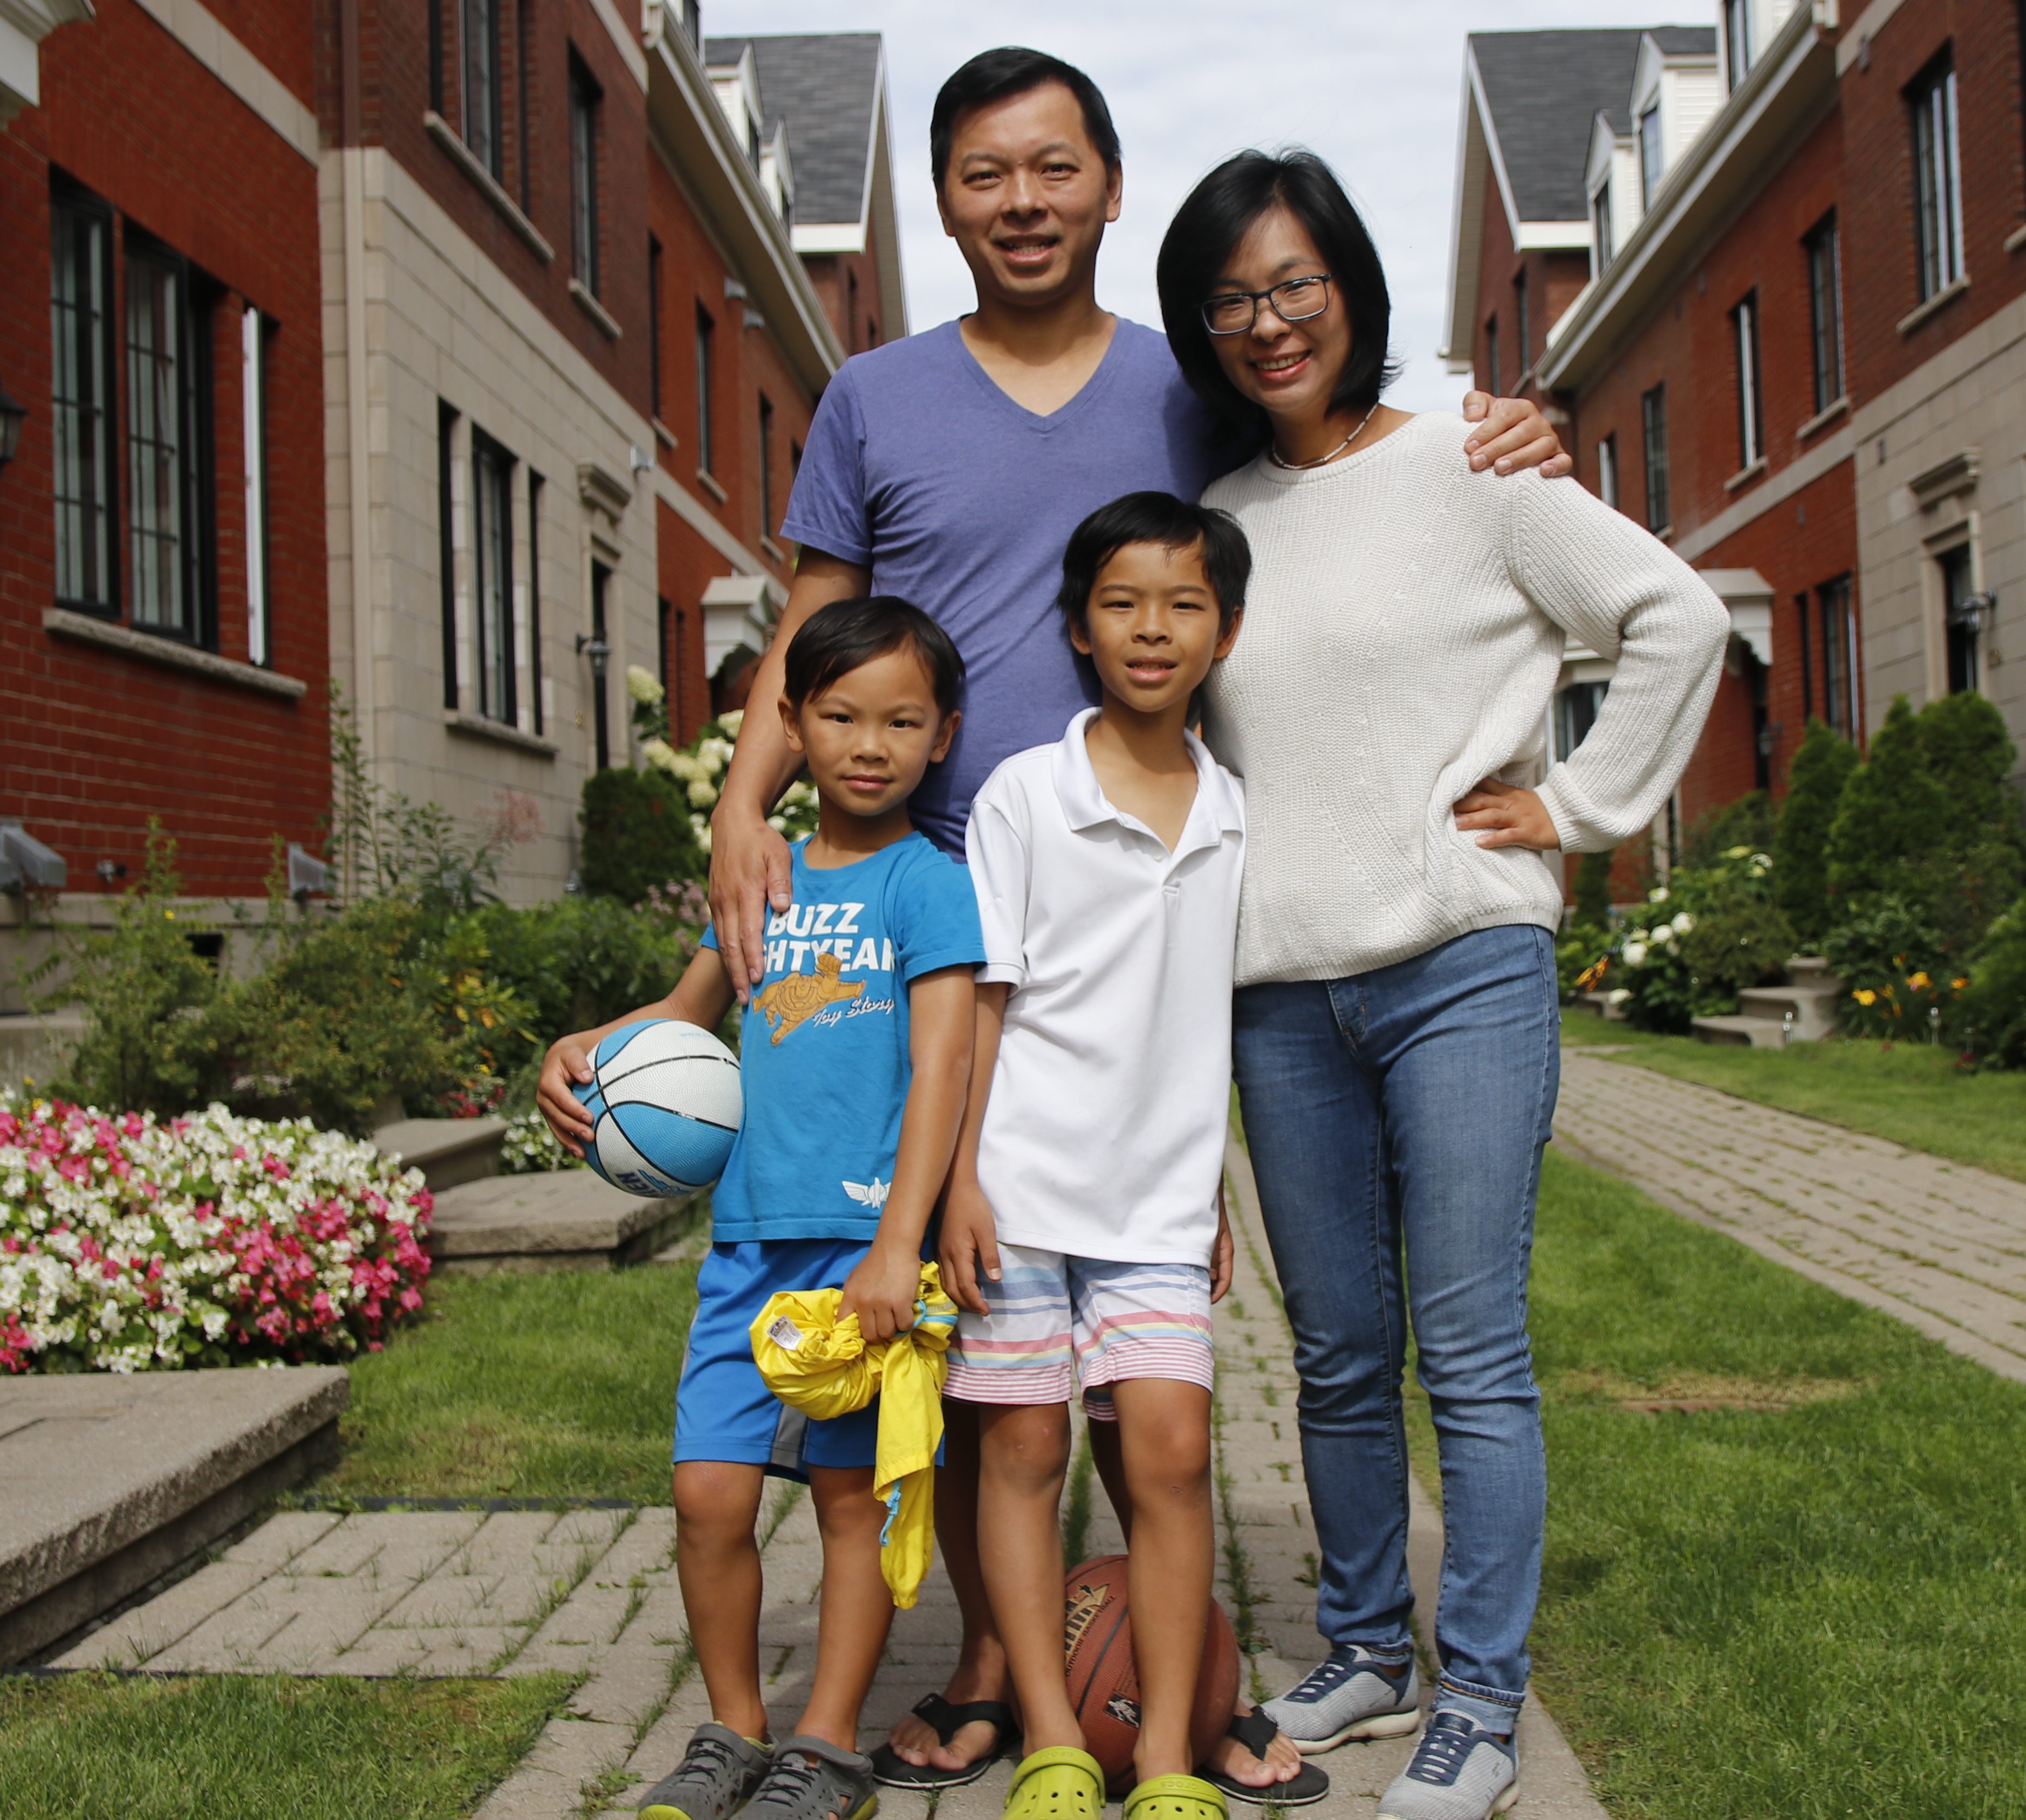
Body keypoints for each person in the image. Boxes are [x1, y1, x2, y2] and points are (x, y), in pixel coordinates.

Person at [678, 46, 1571, 1797]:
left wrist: (1504, 428)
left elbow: (1342, 450)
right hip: (954, 918)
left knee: (1137, 1333)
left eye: (1055, 168)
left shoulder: (1191, 389)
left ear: (1107, 185)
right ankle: (1006, 1670)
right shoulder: (873, 396)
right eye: (986, 175)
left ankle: (1128, 1681)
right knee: (977, 1293)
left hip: (1161, 912)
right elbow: (817, 626)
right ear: (944, 198)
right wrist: (738, 794)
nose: (1023, 203)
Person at [1156, 151, 1728, 1820]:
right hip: (1284, 999)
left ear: (1352, 287)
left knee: (1469, 1353)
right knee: (1336, 1355)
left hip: (1462, 969)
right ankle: (1365, 1647)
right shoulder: (1221, 528)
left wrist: (1583, 809)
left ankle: (1478, 1693)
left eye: (1295, 284)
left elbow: (1675, 618)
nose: (1269, 323)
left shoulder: (1480, 467)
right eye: (1233, 298)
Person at [537, 599, 988, 1820]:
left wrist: (902, 1241)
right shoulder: (765, 873)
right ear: (788, 724)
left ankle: (827, 1742)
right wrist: (589, 1042)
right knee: (708, 1494)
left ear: (942, 735)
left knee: (852, 1500)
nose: (868, 743)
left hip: (860, 1254)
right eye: (839, 715)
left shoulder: (927, 886)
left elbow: (945, 1068)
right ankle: (734, 1725)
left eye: (901, 720)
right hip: (745, 1243)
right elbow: (686, 1012)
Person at [940, 492, 1264, 1820]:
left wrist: (1219, 1183)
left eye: (1184, 604)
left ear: (1226, 631)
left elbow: (1213, 1019)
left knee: (1172, 1451)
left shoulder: (1238, 808)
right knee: (1021, 1452)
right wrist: (959, 1181)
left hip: (1159, 1201)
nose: (1152, 628)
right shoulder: (1026, 792)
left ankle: (1174, 1756)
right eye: (1124, 602)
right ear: (1080, 626)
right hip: (1019, 1189)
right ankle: (1060, 1739)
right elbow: (984, 1002)